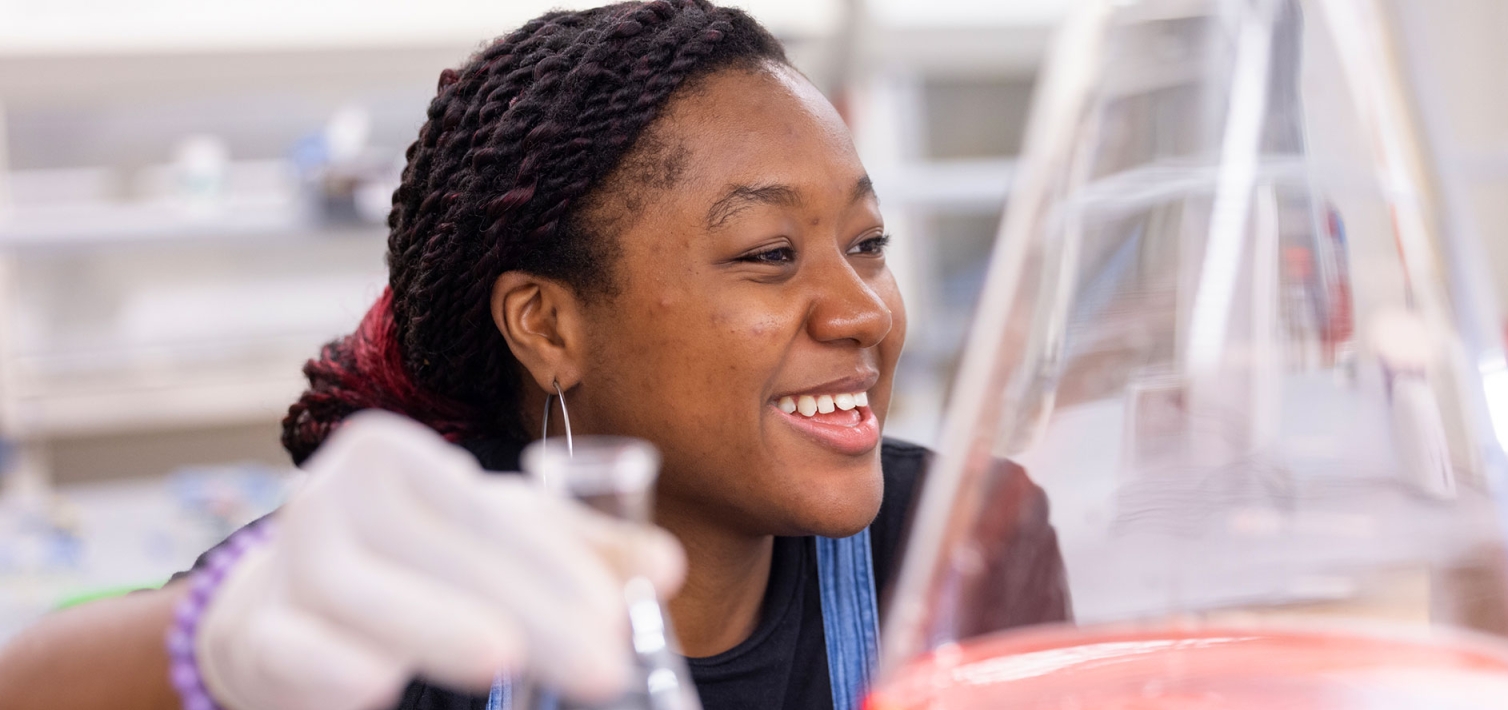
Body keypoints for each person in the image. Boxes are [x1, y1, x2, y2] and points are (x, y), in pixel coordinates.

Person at [0, 2, 1066, 709]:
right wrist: (206, 642)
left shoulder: (963, 547)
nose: (863, 310)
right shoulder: (411, 584)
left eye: (868, 244)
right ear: (548, 326)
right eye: (769, 253)